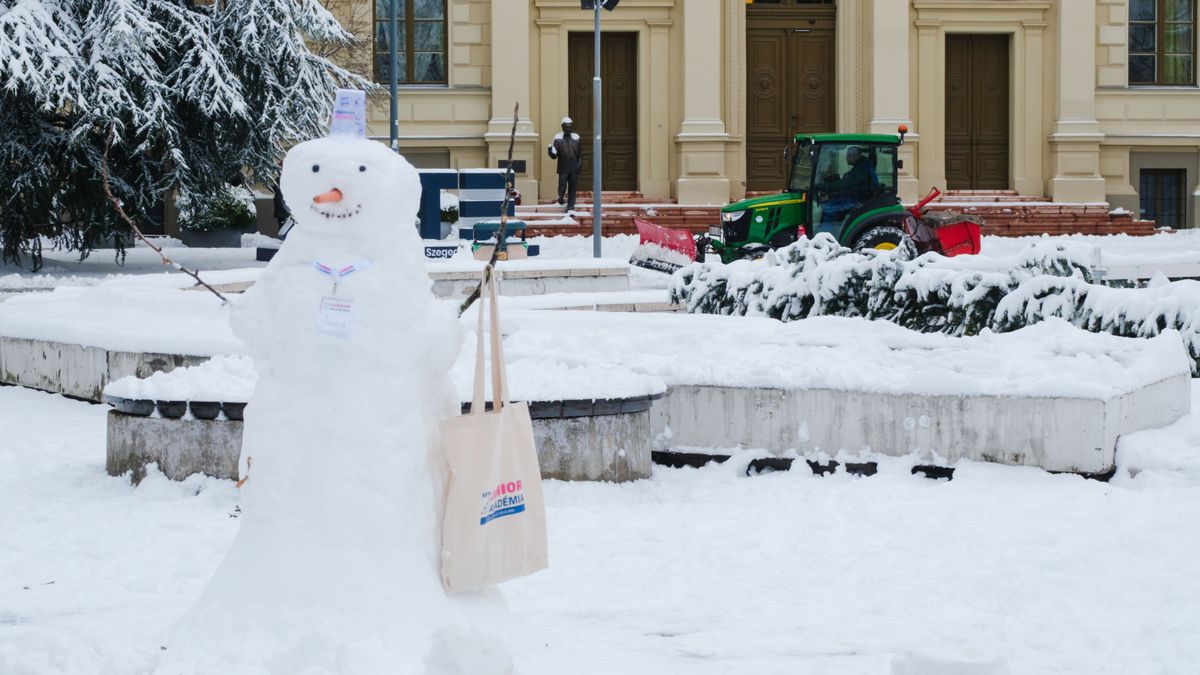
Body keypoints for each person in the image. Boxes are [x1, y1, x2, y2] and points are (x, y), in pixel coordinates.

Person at [818, 146, 879, 232]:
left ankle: (825, 235)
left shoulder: (861, 169)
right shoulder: (861, 165)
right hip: (858, 196)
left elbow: (846, 184)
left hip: (859, 200)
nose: (846, 158)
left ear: (855, 155)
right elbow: (848, 182)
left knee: (828, 208)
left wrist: (826, 186)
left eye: (848, 156)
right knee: (831, 201)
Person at [547, 116, 582, 211]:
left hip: (574, 166)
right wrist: (550, 151)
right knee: (562, 185)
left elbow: (579, 154)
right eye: (566, 127)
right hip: (563, 166)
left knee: (573, 187)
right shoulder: (558, 139)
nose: (568, 129)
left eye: (570, 127)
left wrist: (579, 165)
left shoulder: (576, 138)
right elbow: (554, 155)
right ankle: (561, 198)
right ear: (562, 127)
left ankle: (571, 205)